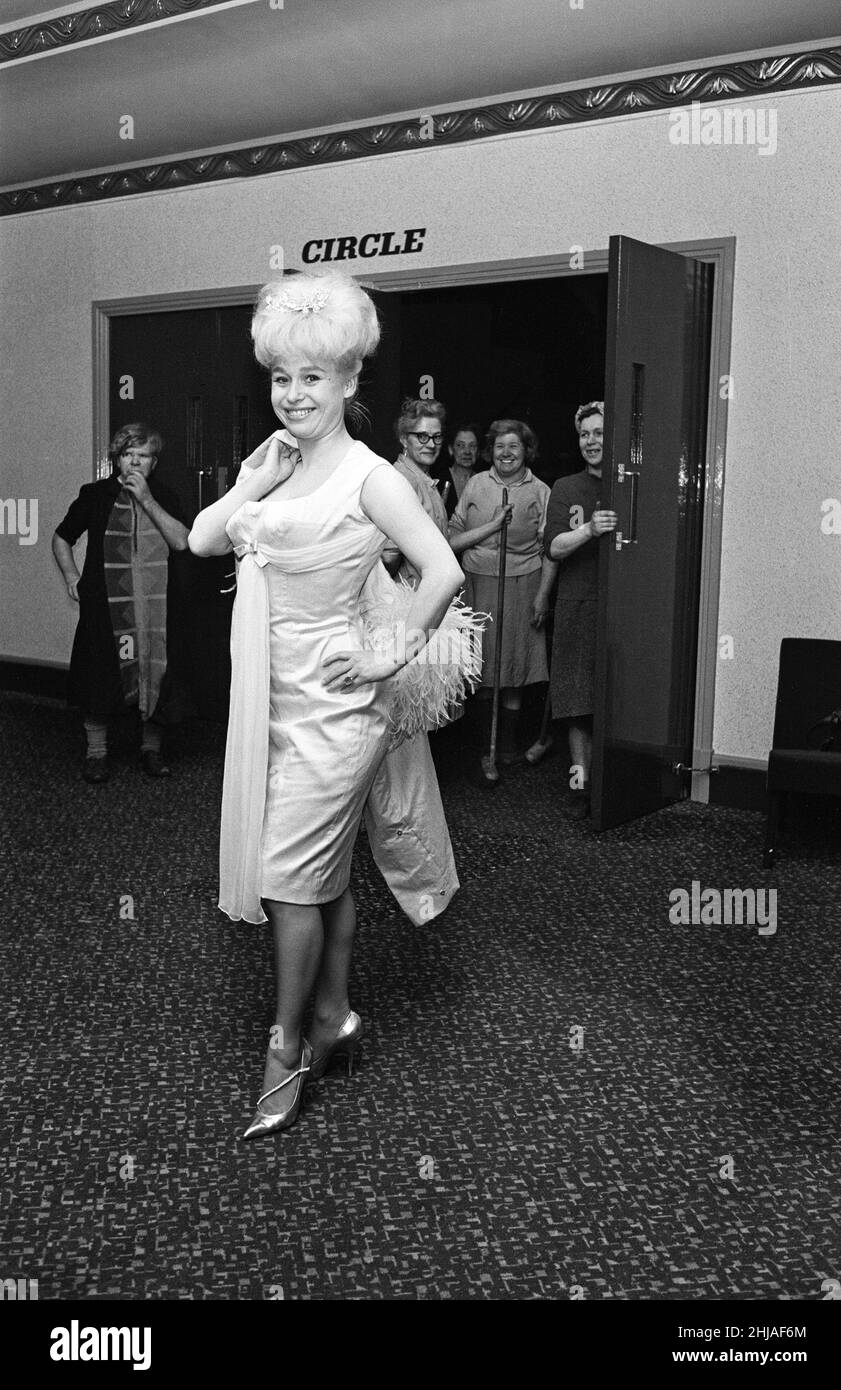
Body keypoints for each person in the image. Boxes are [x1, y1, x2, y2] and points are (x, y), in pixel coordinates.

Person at [188, 270, 465, 1139]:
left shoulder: (371, 477)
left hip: (340, 711)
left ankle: (286, 1044)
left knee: (284, 878)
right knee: (320, 873)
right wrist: (252, 479)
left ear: (349, 381)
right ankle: (336, 1013)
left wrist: (388, 652)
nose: (293, 394)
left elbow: (443, 569)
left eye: (312, 376)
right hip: (271, 703)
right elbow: (203, 538)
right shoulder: (280, 465)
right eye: (281, 377)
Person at [52, 423, 189, 782]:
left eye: (143, 455)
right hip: (106, 609)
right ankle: (96, 753)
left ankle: (151, 750)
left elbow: (181, 541)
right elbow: (62, 537)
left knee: (156, 675)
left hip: (155, 610)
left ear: (154, 462)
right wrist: (71, 577)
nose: (135, 462)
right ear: (117, 459)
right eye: (128, 454)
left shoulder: (165, 496)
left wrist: (147, 500)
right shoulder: (95, 495)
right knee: (100, 677)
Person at [448, 418, 555, 775]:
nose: (506, 453)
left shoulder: (540, 490)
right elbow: (452, 535)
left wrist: (542, 595)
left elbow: (549, 549)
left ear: (527, 451)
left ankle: (506, 744)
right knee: (482, 665)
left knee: (513, 664)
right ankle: (485, 747)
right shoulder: (477, 484)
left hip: (523, 583)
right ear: (490, 451)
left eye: (514, 446)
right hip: (478, 582)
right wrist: (490, 527)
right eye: (499, 446)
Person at [543, 401, 617, 818]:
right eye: (585, 434)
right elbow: (553, 547)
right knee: (575, 702)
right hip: (576, 603)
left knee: (613, 697)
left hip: (620, 606)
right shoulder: (566, 487)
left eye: (599, 432)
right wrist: (589, 529)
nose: (591, 441)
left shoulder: (629, 483)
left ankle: (612, 787)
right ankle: (580, 787)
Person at [390, 397, 448, 579]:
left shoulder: (422, 479)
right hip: (410, 592)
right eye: (422, 437)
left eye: (436, 437)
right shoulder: (402, 480)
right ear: (404, 439)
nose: (431, 445)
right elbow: (388, 556)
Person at [433, 422, 483, 518]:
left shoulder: (484, 481)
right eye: (460, 445)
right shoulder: (437, 481)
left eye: (472, 446)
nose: (467, 451)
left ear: (478, 451)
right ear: (451, 449)